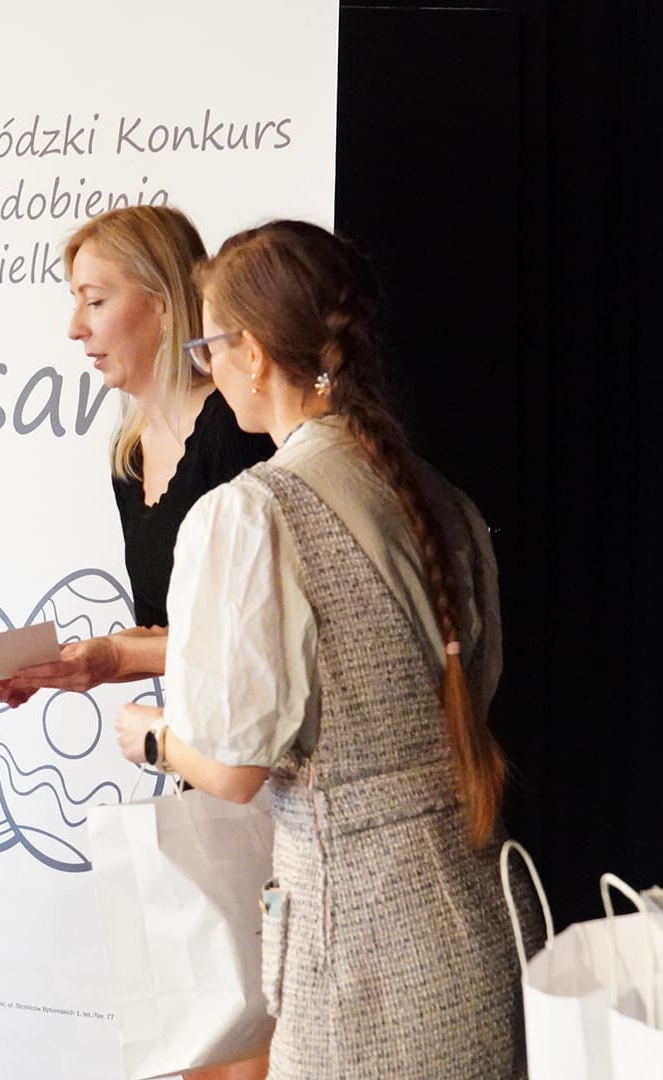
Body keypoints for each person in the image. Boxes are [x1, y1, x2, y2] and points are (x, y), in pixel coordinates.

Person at [114, 220, 523, 1079]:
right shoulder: (439, 496)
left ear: (253, 353)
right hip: (485, 918)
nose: (208, 366)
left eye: (210, 345)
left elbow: (233, 771)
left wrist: (152, 737)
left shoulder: (253, 512)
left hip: (360, 950)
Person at [0, 204, 274, 706]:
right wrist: (60, 667)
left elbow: (259, 637)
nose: (75, 328)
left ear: (162, 304)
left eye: (94, 302)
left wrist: (113, 654)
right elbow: (170, 639)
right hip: (199, 738)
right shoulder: (129, 457)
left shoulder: (237, 429)